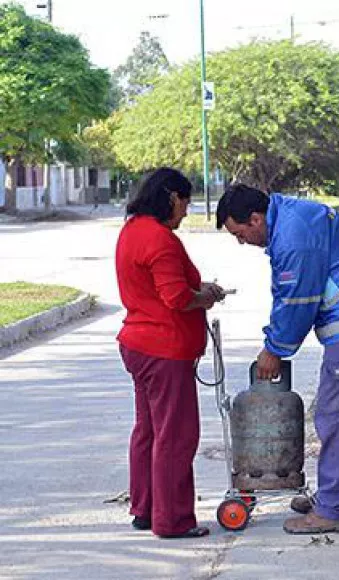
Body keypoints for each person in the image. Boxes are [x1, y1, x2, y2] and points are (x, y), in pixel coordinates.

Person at [216, 184, 339, 534]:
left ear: (255, 218)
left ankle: (335, 510)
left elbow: (296, 300)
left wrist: (275, 349)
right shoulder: (287, 216)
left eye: (240, 234)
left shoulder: (294, 237)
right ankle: (330, 496)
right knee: (334, 412)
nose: (242, 242)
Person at [115, 167, 226, 539]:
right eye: (185, 203)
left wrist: (199, 288)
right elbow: (177, 298)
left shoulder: (132, 231)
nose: (185, 211)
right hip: (165, 350)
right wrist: (205, 297)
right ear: (172, 197)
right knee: (175, 436)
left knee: (148, 431)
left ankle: (145, 509)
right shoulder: (160, 239)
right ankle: (173, 520)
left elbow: (165, 286)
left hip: (139, 345)